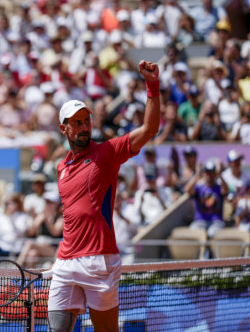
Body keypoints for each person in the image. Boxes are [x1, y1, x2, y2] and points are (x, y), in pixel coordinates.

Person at [47, 60, 161, 331]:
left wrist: (152, 84)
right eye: (77, 122)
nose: (84, 126)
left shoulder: (107, 152)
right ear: (64, 128)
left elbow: (149, 130)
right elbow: (74, 217)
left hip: (99, 261)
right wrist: (59, 256)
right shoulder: (61, 167)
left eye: (86, 120)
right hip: (65, 261)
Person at [17, 191, 64, 268]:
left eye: (50, 202)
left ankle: (18, 266)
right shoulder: (42, 215)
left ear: (56, 204)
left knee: (30, 243)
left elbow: (55, 232)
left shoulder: (60, 217)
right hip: (40, 245)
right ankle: (32, 278)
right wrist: (34, 218)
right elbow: (31, 232)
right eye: (46, 202)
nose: (47, 204)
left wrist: (47, 220)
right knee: (32, 254)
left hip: (53, 249)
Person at [185, 160, 228, 239]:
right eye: (207, 172)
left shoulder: (219, 187)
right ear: (203, 173)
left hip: (216, 222)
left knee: (211, 234)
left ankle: (210, 251)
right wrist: (197, 174)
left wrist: (220, 175)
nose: (209, 175)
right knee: (193, 233)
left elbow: (226, 191)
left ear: (215, 174)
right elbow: (187, 190)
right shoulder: (199, 187)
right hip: (199, 221)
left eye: (211, 172)